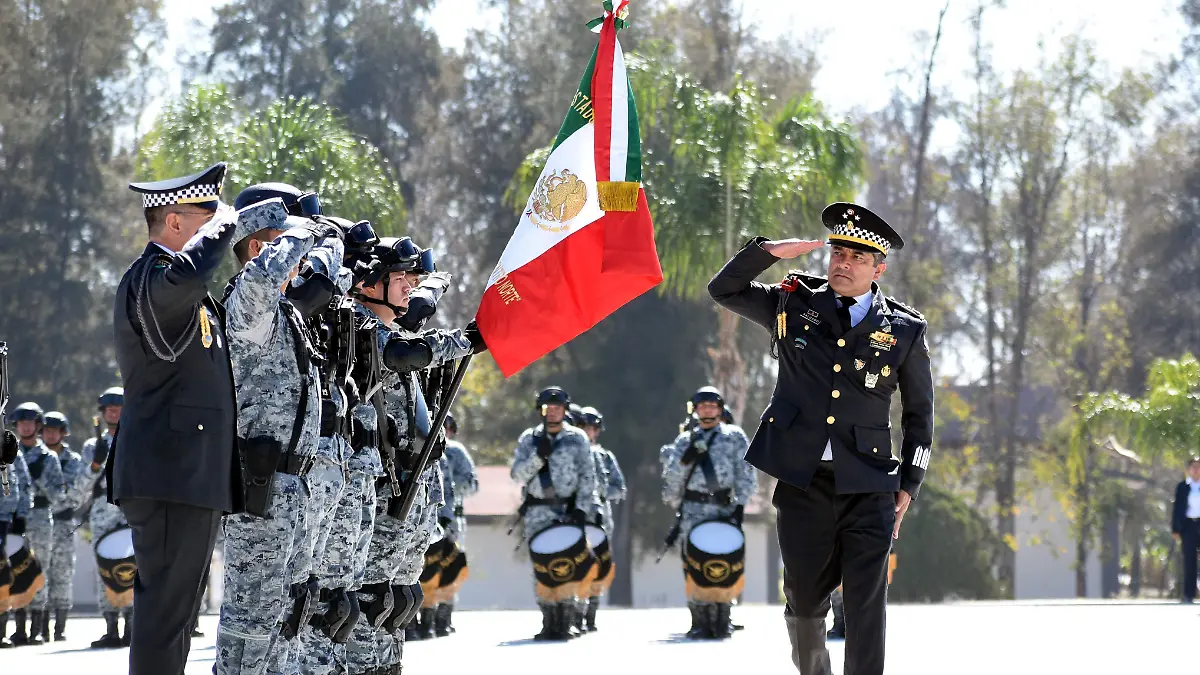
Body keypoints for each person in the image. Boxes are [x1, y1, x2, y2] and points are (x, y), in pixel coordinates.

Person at [708, 202, 934, 675]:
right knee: (805, 601)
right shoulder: (793, 301)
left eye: (856, 257)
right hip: (802, 481)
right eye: (837, 253)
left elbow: (919, 415)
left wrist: (909, 485)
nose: (842, 264)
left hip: (870, 484)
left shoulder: (905, 330)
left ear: (878, 268)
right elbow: (724, 289)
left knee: (866, 602)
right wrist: (768, 251)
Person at [114, 163, 243, 675]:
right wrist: (227, 226)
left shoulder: (182, 288)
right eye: (205, 219)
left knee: (179, 615)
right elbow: (187, 277)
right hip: (169, 475)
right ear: (174, 224)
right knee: (165, 615)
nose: (218, 228)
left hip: (189, 476)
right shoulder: (150, 279)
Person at [213, 194, 347, 674]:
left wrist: (328, 242)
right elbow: (268, 275)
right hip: (261, 489)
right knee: (251, 621)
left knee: (290, 614)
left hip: (295, 488)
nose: (299, 258)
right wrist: (307, 229)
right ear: (256, 247)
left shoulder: (286, 313)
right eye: (282, 242)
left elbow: (332, 281)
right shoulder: (249, 300)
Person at [344, 236, 482, 675]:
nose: (410, 285)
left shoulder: (393, 327)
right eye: (401, 277)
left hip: (408, 485)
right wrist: (467, 340)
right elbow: (404, 354)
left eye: (414, 278)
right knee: (372, 597)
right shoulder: (357, 327)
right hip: (379, 490)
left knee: (400, 598)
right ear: (370, 281)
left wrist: (434, 290)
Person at [660, 387, 755, 640]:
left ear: (720, 408)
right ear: (695, 410)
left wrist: (740, 506)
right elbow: (671, 483)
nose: (708, 410)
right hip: (692, 511)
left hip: (724, 510)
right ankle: (699, 620)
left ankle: (723, 616)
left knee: (724, 562)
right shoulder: (684, 442)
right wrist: (684, 461)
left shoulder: (734, 437)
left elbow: (746, 473)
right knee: (693, 565)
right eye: (702, 406)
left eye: (712, 406)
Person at [510, 386, 598, 641]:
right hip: (539, 510)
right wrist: (538, 458)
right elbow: (517, 475)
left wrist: (582, 508)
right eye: (548, 408)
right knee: (543, 566)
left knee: (569, 563)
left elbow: (587, 476)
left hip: (568, 509)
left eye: (558, 408)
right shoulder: (529, 439)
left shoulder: (578, 438)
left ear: (565, 410)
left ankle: (567, 619)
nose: (553, 413)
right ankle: (549, 620)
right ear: (541, 411)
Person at [7, 402, 64, 645]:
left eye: (31, 423)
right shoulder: (9, 453)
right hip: (15, 520)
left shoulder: (48, 457)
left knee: (39, 569)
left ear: (38, 426)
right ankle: (19, 626)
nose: (26, 427)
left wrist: (37, 481)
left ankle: (38, 628)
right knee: (16, 570)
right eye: (22, 423)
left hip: (40, 518)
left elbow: (59, 493)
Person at [80, 387, 133, 648]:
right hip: (102, 512)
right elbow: (81, 488)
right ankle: (111, 628)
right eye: (109, 408)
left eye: (119, 407)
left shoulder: (136, 440)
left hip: (129, 511)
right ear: (102, 413)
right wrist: (95, 465)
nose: (113, 411)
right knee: (105, 569)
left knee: (133, 568)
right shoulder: (92, 446)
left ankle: (132, 626)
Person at [41, 412, 89, 641]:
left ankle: (59, 628)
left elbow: (75, 494)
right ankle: (38, 627)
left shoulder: (73, 461)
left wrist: (48, 492)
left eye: (55, 430)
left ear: (63, 433)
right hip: (37, 523)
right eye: (46, 430)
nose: (50, 434)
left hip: (62, 522)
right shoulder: (33, 457)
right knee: (38, 574)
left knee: (62, 574)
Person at [579, 405, 625, 632]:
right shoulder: (572, 453)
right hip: (576, 518)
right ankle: (576, 612)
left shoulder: (605, 457)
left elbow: (619, 487)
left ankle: (591, 613)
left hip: (601, 520)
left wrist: (601, 493)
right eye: (583, 427)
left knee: (598, 567)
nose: (588, 431)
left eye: (591, 427)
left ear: (597, 431)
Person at [435, 411, 478, 635]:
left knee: (449, 565)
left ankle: (444, 615)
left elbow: (473, 485)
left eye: (447, 426)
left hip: (453, 520)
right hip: (431, 517)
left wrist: (450, 483)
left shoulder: (456, 452)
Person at [0, 423, 31, 648]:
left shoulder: (5, 441)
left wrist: (16, 515)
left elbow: (16, 482)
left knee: (1, 576)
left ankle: (1, 629)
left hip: (0, 517)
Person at [1171, 457, 1200, 603]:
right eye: (1193, 467)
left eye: (1198, 467)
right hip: (1188, 525)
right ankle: (1188, 594)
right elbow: (1177, 509)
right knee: (1189, 560)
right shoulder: (1183, 487)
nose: (1196, 470)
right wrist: (1175, 528)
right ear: (1188, 470)